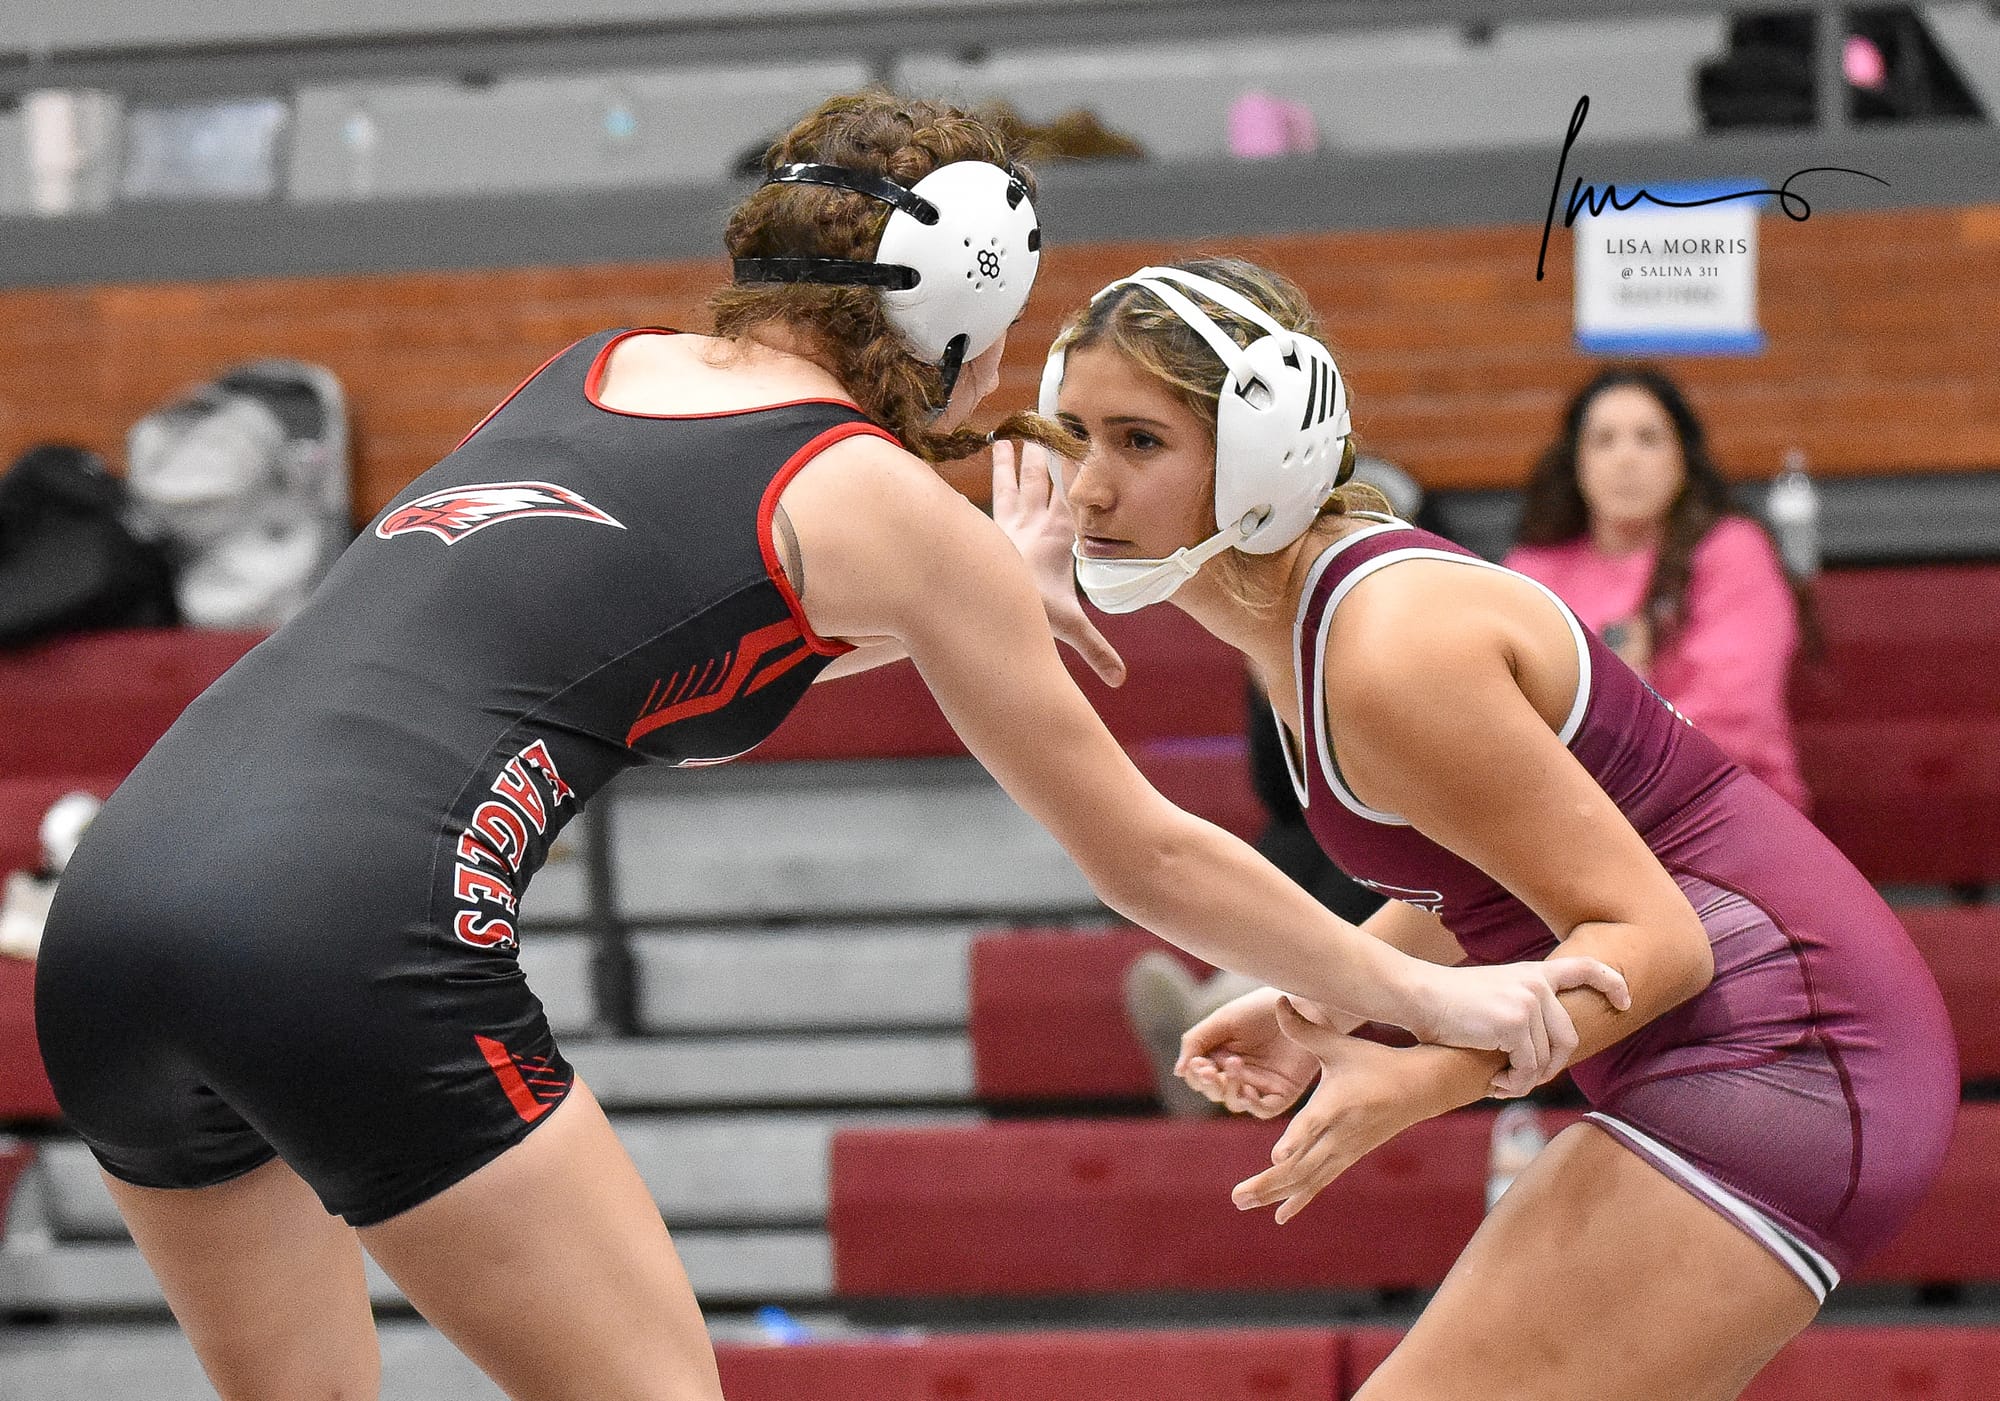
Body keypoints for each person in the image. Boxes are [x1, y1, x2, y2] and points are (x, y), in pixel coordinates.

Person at [31, 96, 1622, 1401]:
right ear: (951, 309)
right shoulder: (872, 487)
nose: (995, 383)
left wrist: (968, 598)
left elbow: (654, 652)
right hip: (343, 941)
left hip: (110, 918)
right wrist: (1427, 993)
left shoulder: (596, 366)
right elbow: (1144, 852)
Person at [1008, 255, 1957, 1400]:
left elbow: (1657, 942)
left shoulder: (1386, 650)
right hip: (1768, 1041)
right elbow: (1479, 878)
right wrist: (1328, 998)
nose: (1086, 489)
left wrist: (1415, 1081)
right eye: (1073, 435)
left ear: (1263, 451)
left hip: (1787, 1050)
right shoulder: (1311, 628)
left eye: (1137, 441)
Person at [1503, 366, 1812, 812]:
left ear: (1682, 458)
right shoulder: (1532, 567)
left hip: (1722, 812)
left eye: (1648, 439)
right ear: (1576, 463)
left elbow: (1735, 719)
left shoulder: (1732, 550)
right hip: (1570, 818)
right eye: (1603, 440)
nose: (1625, 458)